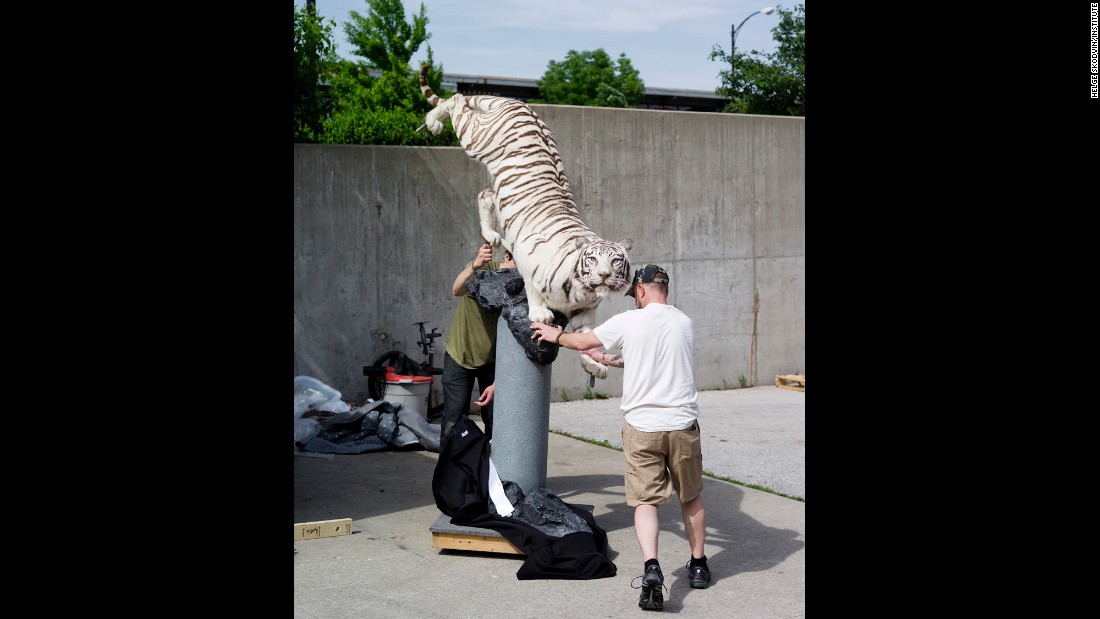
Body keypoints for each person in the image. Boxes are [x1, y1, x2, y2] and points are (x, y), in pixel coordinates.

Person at [529, 264, 709, 611]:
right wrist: (609, 360)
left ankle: (652, 568)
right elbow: (650, 359)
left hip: (642, 427)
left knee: (646, 502)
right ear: (664, 289)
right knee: (691, 497)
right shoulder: (684, 323)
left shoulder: (630, 320)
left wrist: (557, 336)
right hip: (681, 424)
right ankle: (699, 567)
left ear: (640, 290)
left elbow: (582, 340)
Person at [439, 245, 516, 452]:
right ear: (507, 256)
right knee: (453, 421)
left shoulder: (520, 285)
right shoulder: (483, 269)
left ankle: (494, 476)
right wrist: (475, 265)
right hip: (460, 355)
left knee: (495, 422)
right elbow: (456, 289)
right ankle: (449, 475)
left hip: (492, 362)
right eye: (518, 265)